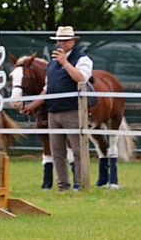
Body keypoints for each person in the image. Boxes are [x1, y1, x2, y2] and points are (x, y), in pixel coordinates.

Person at [26, 26, 93, 192]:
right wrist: (31, 105)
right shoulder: (52, 63)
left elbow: (81, 79)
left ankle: (80, 184)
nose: (62, 43)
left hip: (72, 110)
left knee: (78, 150)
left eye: (65, 40)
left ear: (73, 41)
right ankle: (63, 186)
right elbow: (47, 88)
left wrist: (65, 63)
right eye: (59, 40)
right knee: (57, 151)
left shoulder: (83, 59)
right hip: (53, 111)